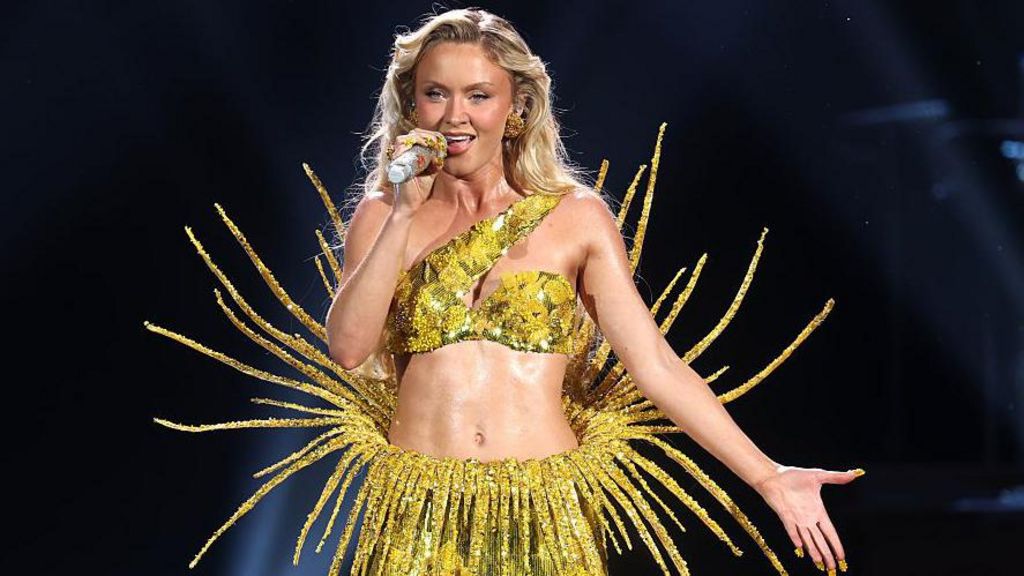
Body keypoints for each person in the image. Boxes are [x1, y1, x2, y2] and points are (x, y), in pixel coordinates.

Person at [149, 7, 862, 576]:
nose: (455, 115)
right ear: (412, 105)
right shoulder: (381, 216)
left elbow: (656, 366)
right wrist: (400, 212)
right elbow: (348, 348)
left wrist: (769, 475)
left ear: (514, 107)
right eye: (436, 93)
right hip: (417, 512)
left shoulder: (574, 218)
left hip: (542, 511)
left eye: (478, 95)